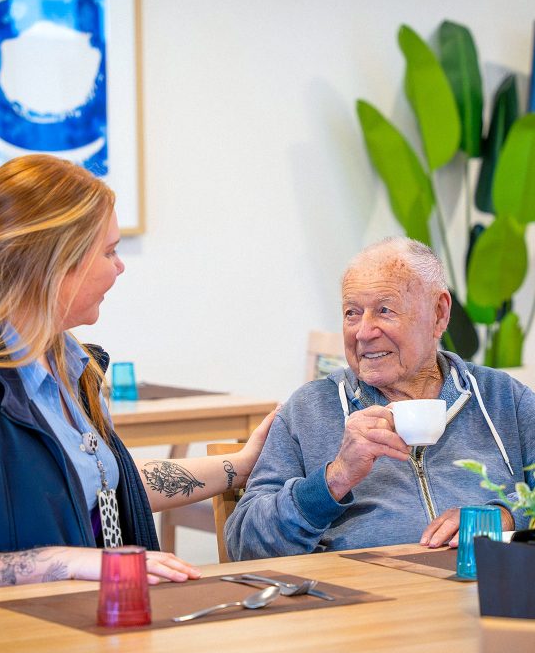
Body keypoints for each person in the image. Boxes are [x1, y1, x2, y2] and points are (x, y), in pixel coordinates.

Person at [0, 154, 274, 592]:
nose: (120, 266)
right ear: (52, 267)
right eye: (109, 251)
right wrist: (65, 563)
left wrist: (240, 466)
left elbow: (105, 483)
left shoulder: (69, 365)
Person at [225, 237, 535, 560]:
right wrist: (334, 478)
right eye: (352, 313)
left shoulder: (502, 399)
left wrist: (507, 516)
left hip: (485, 598)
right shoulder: (308, 411)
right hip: (362, 604)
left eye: (384, 310)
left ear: (439, 315)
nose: (363, 332)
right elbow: (244, 545)